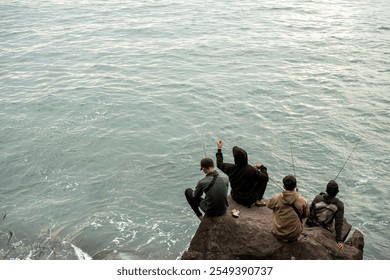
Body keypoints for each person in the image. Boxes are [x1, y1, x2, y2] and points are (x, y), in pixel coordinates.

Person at [215, 140, 268, 207]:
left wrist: (219, 149)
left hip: (235, 197)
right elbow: (266, 178)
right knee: (263, 179)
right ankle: (258, 201)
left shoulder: (230, 168)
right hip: (250, 200)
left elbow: (219, 164)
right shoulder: (252, 170)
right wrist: (262, 168)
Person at [267, 175, 309, 242]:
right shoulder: (304, 201)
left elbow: (269, 206)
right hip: (294, 235)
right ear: (295, 186)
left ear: (284, 186)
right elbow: (306, 215)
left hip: (278, 233)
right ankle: (294, 233)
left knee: (275, 209)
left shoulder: (276, 198)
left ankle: (278, 230)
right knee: (305, 217)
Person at [306, 180, 345, 249]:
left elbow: (310, 210)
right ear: (337, 192)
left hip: (311, 223)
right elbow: (338, 223)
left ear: (326, 190)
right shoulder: (339, 205)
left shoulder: (318, 198)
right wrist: (339, 240)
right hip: (325, 228)